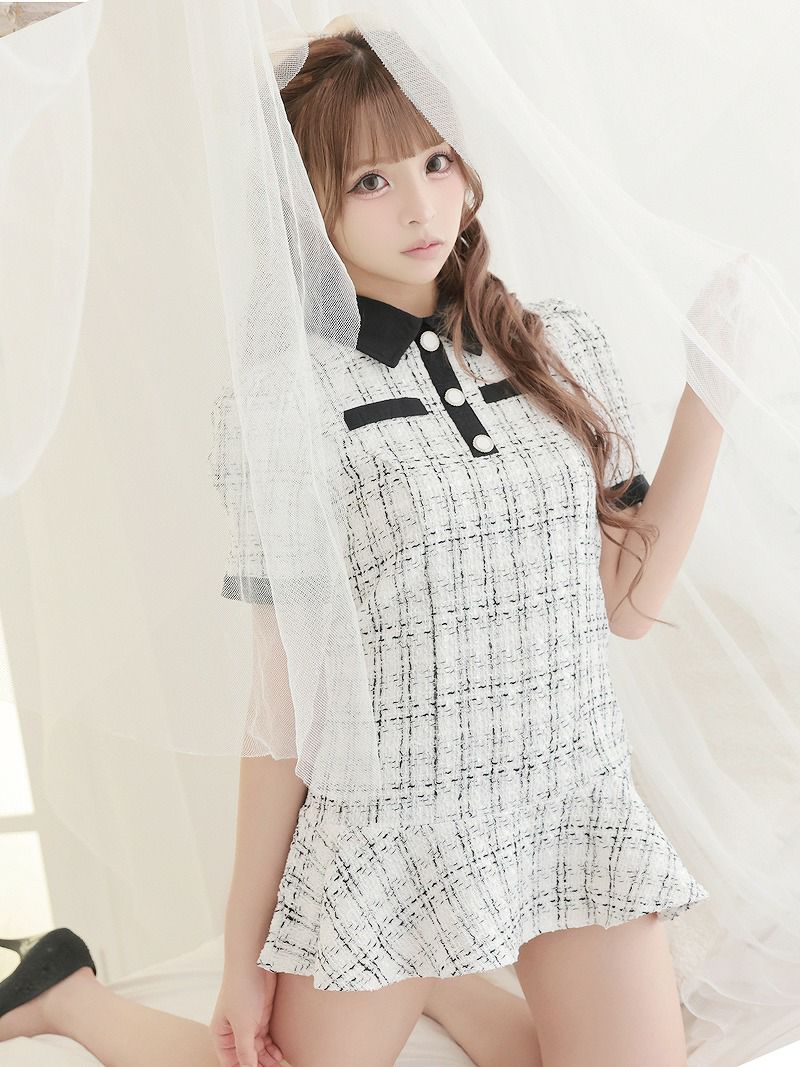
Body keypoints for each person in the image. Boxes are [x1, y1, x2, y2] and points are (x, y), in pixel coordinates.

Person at [0, 25, 719, 1067]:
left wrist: (711, 393)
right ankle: (69, 995)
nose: (422, 207)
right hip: (390, 834)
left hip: (567, 801)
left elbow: (624, 606)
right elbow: (281, 705)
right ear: (307, 205)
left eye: (436, 161)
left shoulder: (555, 346)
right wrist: (244, 955)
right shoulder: (288, 404)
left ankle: (448, 981)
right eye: (371, 181)